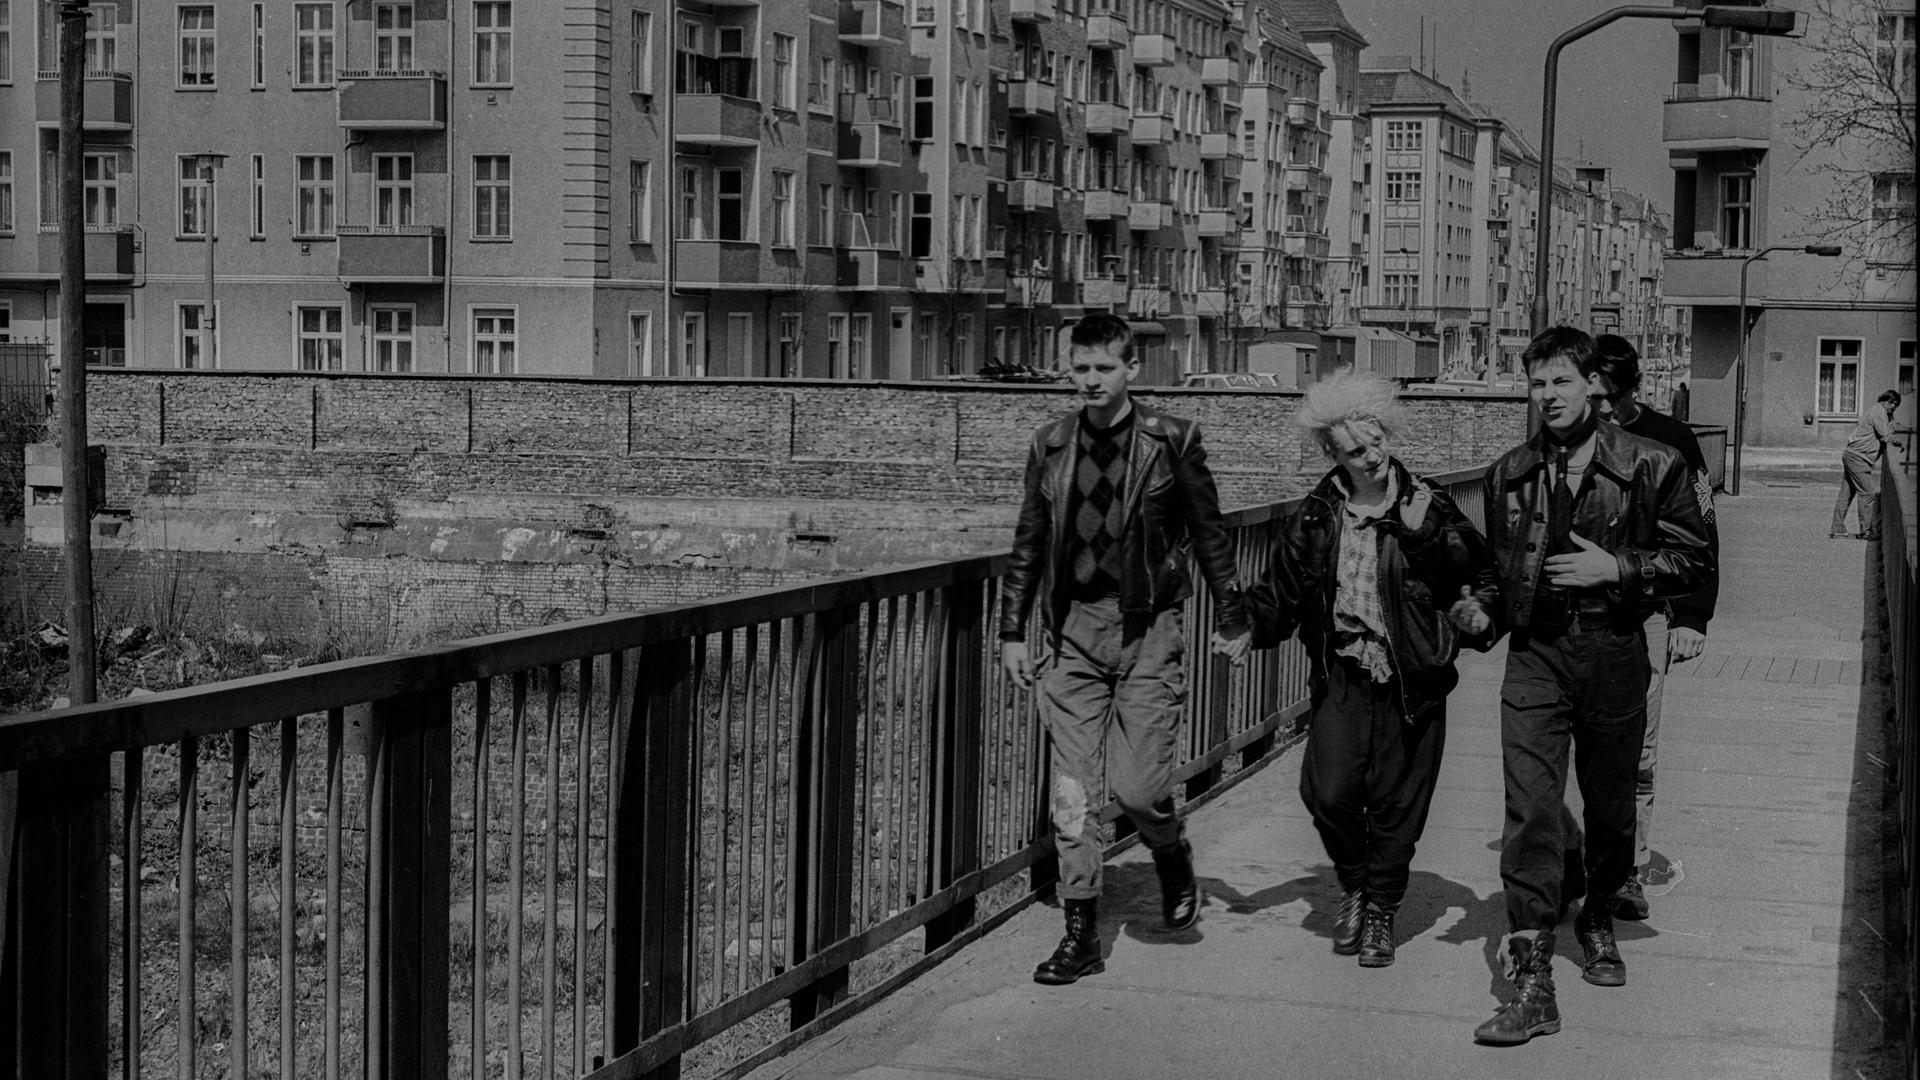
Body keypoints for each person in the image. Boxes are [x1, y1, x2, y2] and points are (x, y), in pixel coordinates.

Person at [1471, 327, 1712, 1046]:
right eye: (1537, 384)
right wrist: (1477, 605)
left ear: (1592, 389)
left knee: (1610, 810)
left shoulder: (1653, 465)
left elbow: (1695, 561)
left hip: (1613, 652)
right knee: (1532, 809)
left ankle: (1600, 915)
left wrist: (1616, 569)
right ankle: (1534, 980)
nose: (1547, 396)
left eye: (1561, 383)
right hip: (1536, 657)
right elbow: (1493, 570)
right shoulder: (1506, 474)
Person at [999, 312, 1250, 986]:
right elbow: (1027, 542)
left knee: (1140, 788)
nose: (1090, 381)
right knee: (1074, 794)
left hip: (1148, 629)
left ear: (1131, 370)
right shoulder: (1050, 443)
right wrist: (1012, 630)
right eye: (1080, 369)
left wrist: (1232, 614)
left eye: (1103, 369)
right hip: (1071, 633)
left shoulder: (1171, 440)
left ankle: (1169, 850)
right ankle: (1079, 931)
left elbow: (1209, 532)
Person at [1238, 372, 1499, 968]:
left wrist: (1470, 613)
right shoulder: (1316, 515)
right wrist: (1246, 627)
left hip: (1413, 674)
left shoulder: (1426, 502)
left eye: (1378, 440)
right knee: (1327, 792)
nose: (1374, 456)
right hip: (1345, 669)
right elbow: (1280, 590)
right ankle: (1356, 883)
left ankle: (1380, 908)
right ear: (1333, 454)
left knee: (1396, 804)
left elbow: (1477, 572)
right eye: (1356, 450)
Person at [1589, 336, 1721, 922]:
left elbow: (1703, 532)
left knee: (1639, 750)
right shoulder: (1567, 439)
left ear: (1631, 390)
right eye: (1594, 396)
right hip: (1578, 616)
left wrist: (1693, 615)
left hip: (1649, 614)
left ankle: (1629, 872)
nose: (1603, 411)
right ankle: (1586, 859)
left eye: (1611, 398)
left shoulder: (1672, 439)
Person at [1831, 389, 1903, 541]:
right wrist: (1899, 441)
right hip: (1859, 457)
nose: (1894, 409)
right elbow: (1885, 435)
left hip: (1852, 455)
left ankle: (1837, 529)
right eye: (1894, 405)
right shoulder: (1879, 411)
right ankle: (1867, 531)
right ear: (1887, 401)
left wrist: (1894, 423)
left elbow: (1889, 427)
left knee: (1847, 493)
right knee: (1868, 493)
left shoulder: (1880, 412)